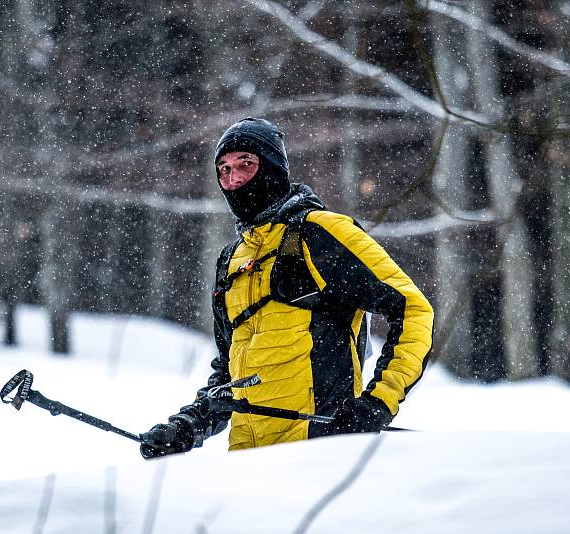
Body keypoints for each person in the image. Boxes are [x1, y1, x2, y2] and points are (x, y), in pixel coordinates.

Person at [140, 118, 434, 458]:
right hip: (247, 465)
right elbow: (227, 376)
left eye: (245, 165)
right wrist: (189, 425)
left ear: (273, 168)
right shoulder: (231, 261)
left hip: (322, 457)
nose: (233, 180)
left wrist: (376, 404)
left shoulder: (321, 232)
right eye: (223, 169)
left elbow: (412, 309)